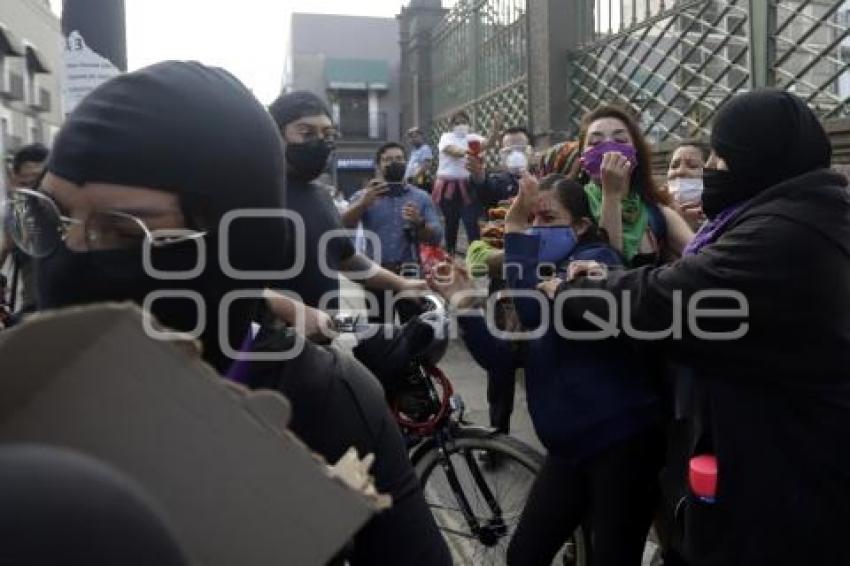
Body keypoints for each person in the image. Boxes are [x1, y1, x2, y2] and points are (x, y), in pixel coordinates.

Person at [14, 61, 450, 565]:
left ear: (237, 244)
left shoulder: (322, 400)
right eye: (52, 217)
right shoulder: (25, 374)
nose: (72, 254)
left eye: (124, 232)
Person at [539, 89, 850, 566]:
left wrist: (573, 294)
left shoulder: (784, 233)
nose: (711, 169)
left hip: (788, 470)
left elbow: (673, 297)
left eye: (720, 158)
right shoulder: (804, 212)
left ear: (758, 157)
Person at [431, 174, 664, 565]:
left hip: (623, 443)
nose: (538, 229)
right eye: (532, 220)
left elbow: (535, 310)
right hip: (569, 450)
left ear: (580, 227)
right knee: (525, 554)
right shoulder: (539, 279)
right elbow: (502, 360)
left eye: (548, 219)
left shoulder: (597, 264)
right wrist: (466, 305)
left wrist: (515, 228)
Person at [266, 91, 429, 334]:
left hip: (320, 345)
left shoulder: (321, 196)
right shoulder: (256, 196)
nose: (320, 142)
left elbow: (348, 258)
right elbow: (224, 277)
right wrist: (293, 311)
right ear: (275, 135)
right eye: (307, 133)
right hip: (268, 352)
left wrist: (401, 284)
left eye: (327, 134)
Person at [463, 125, 536, 436]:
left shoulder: (547, 183)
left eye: (520, 147)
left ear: (532, 150)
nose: (514, 154)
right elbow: (481, 187)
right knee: (500, 366)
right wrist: (478, 174)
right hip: (503, 290)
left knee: (540, 364)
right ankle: (497, 433)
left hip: (536, 288)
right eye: (507, 150)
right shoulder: (498, 183)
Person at [576, 106, 694, 265]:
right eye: (596, 143)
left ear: (635, 153)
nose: (609, 148)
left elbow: (701, 255)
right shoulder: (572, 207)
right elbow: (610, 264)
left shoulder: (656, 214)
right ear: (582, 160)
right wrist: (611, 195)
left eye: (620, 141)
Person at [342, 142, 442, 323]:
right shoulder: (364, 196)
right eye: (388, 160)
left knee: (414, 330)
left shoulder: (421, 197)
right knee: (379, 332)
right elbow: (341, 229)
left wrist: (419, 223)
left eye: (399, 159)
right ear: (378, 165)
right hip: (376, 275)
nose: (394, 163)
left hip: (409, 273)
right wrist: (363, 204)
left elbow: (436, 238)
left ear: (406, 163)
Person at [0, 143, 49, 313]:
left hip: (65, 311)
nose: (31, 191)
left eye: (37, 183)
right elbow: (6, 247)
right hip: (31, 312)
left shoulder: (66, 212)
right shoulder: (17, 212)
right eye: (24, 184)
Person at [432, 110, 486, 255]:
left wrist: (495, 130)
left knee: (471, 222)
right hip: (448, 187)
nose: (461, 125)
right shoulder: (446, 137)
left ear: (469, 124)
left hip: (468, 186)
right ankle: (449, 255)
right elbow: (453, 151)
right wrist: (470, 152)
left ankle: (477, 256)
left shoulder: (473, 138)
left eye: (463, 122)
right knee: (451, 223)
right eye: (457, 123)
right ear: (451, 126)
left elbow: (487, 144)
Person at [666, 139, 710, 231]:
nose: (680, 171)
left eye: (692, 166)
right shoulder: (653, 216)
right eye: (674, 166)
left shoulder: (724, 218)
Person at [404, 127, 434, 192]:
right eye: (410, 137)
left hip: (421, 179)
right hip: (412, 180)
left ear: (421, 137)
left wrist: (415, 178)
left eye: (415, 136)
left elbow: (426, 165)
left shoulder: (425, 148)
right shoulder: (414, 151)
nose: (413, 139)